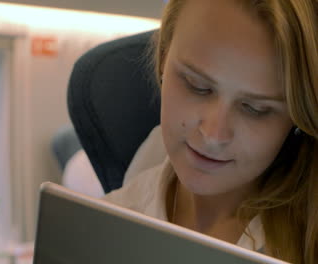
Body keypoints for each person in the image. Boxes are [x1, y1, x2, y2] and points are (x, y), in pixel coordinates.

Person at [103, 0, 318, 263]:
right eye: (197, 86)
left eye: (255, 108)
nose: (214, 135)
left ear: (297, 116)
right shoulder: (119, 209)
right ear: (163, 57)